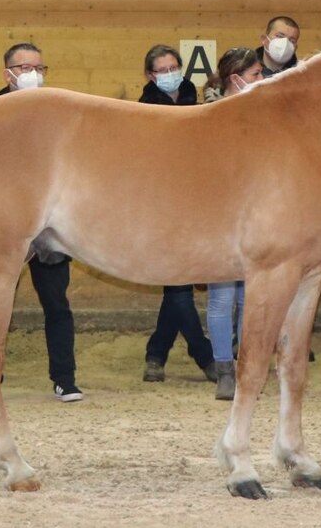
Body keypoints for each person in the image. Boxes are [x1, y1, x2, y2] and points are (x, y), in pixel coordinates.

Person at [0, 42, 84, 402]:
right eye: (24, 67)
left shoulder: (59, 112)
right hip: (6, 224)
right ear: (8, 74)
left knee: (57, 304)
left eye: (39, 67)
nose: (33, 74)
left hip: (50, 227)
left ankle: (65, 378)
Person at [138, 45, 218, 385]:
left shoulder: (196, 102)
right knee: (178, 287)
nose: (170, 73)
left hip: (195, 205)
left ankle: (156, 352)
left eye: (174, 66)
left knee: (177, 285)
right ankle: (204, 354)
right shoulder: (140, 110)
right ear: (151, 75)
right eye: (162, 69)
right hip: (159, 206)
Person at [201, 47, 262, 400]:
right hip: (219, 217)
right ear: (236, 79)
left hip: (251, 215)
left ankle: (243, 366)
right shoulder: (211, 115)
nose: (263, 80)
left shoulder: (262, 115)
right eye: (256, 75)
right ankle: (223, 367)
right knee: (222, 299)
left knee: (249, 297)